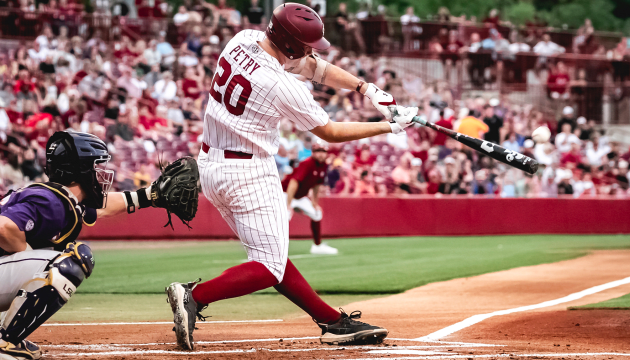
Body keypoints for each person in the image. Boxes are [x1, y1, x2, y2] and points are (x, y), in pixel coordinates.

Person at [165, 3, 417, 351]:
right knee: (268, 264)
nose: (312, 51)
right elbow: (328, 132)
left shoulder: (244, 39)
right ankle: (194, 296)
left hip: (211, 165)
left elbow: (312, 67)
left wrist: (367, 89)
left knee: (271, 254)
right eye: (307, 45)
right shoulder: (281, 84)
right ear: (291, 45)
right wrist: (388, 126)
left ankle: (331, 321)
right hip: (247, 172)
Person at [0, 131, 195, 359]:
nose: (99, 173)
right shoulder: (50, 201)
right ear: (80, 170)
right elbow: (4, 227)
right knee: (71, 261)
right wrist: (29, 255)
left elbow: (101, 208)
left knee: (57, 260)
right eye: (95, 167)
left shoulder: (61, 199)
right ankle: (6, 343)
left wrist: (148, 196)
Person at [282, 140, 336, 255]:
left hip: (300, 196)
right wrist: (288, 204)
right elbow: (293, 183)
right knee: (284, 217)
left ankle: (317, 246)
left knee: (317, 214)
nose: (321, 154)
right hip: (285, 193)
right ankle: (277, 249)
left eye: (323, 151)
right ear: (313, 152)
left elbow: (317, 185)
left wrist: (314, 203)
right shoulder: (307, 163)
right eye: (318, 151)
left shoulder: (323, 165)